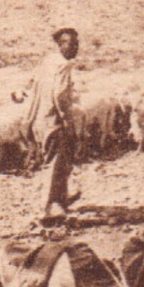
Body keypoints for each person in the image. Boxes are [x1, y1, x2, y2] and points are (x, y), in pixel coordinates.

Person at [25, 27, 82, 225]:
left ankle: (59, 201)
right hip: (53, 121)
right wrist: (67, 120)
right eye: (70, 44)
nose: (75, 48)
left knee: (56, 161)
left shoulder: (47, 62)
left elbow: (34, 87)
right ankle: (48, 209)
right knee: (55, 162)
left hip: (40, 119)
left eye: (76, 44)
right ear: (61, 45)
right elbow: (60, 95)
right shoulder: (63, 65)